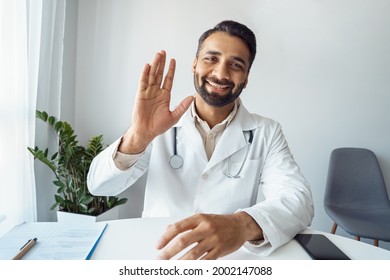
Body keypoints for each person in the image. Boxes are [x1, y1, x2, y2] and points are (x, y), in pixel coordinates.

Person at [87, 20, 314, 260]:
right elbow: (100, 187)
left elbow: (298, 201)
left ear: (246, 77)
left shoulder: (266, 131)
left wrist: (241, 225)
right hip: (159, 255)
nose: (220, 73)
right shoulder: (160, 124)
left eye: (236, 65)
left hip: (227, 260)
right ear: (194, 64)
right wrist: (138, 136)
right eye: (211, 59)